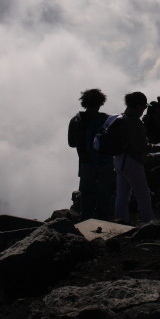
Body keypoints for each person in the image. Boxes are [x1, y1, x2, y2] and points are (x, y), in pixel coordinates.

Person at [113, 91, 159, 225]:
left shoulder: (121, 118)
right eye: (144, 107)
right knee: (143, 194)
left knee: (122, 196)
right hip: (132, 162)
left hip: (119, 160)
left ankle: (120, 223)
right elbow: (143, 146)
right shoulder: (134, 122)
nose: (144, 110)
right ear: (139, 106)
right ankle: (148, 222)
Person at [67, 88, 114, 220]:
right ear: (101, 103)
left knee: (86, 194)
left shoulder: (76, 120)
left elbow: (71, 143)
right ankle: (104, 222)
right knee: (104, 194)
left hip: (86, 162)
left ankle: (86, 223)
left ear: (84, 102)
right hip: (106, 162)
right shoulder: (107, 119)